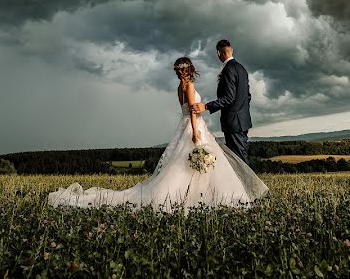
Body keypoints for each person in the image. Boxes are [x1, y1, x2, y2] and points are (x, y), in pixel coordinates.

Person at [47, 55, 267, 212]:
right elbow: (191, 110)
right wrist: (196, 134)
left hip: (185, 125)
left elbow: (182, 108)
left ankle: (197, 194)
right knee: (195, 162)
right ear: (189, 70)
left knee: (184, 165)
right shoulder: (189, 87)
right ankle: (201, 196)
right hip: (193, 126)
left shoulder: (179, 87)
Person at [190, 39, 252, 164]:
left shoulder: (228, 69)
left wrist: (206, 106)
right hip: (243, 120)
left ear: (219, 53)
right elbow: (248, 96)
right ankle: (244, 183)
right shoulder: (241, 69)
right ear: (231, 50)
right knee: (240, 156)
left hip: (234, 122)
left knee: (239, 160)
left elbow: (229, 98)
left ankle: (245, 183)